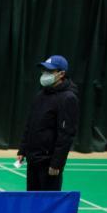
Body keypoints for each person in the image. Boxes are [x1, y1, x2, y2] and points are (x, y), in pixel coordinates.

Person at [17, 55, 79, 191]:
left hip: (49, 163)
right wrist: (23, 149)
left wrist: (57, 163)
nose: (45, 74)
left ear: (61, 74)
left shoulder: (68, 98)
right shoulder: (41, 95)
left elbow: (66, 135)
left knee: (49, 200)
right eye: (44, 70)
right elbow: (30, 124)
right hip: (33, 159)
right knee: (33, 199)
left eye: (50, 71)